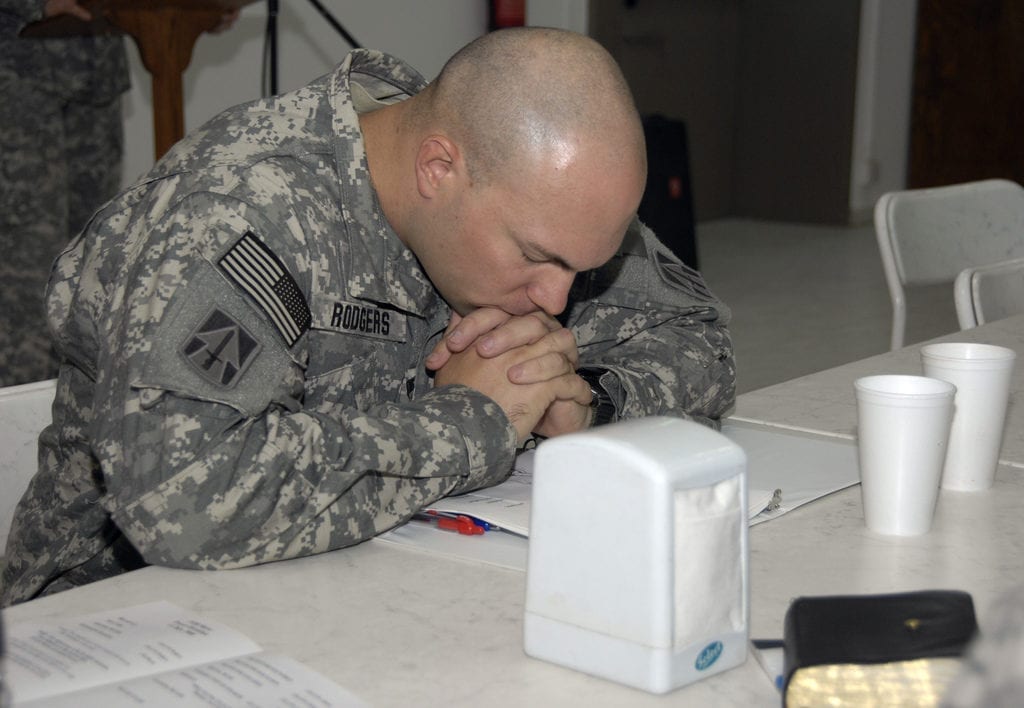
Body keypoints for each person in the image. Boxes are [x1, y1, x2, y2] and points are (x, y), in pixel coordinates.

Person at [1, 27, 736, 606]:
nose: (556, 300)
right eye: (540, 259)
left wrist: (585, 400)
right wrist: (474, 419)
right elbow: (181, 499)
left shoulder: (532, 196)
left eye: (584, 269)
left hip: (361, 585)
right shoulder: (245, 214)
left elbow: (702, 345)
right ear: (439, 169)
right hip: (119, 621)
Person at [0, 0, 129, 386]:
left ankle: (75, 431)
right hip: (17, 80)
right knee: (25, 278)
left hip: (95, 70)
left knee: (93, 264)